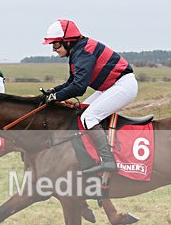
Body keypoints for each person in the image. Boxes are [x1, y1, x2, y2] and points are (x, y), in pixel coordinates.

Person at [41, 19, 138, 173]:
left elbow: (79, 87)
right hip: (111, 86)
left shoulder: (84, 52)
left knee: (89, 117)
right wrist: (53, 92)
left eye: (56, 44)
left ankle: (108, 160)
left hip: (123, 86)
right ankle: (91, 156)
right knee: (81, 114)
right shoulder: (77, 51)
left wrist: (56, 97)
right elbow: (72, 82)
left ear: (67, 41)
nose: (53, 49)